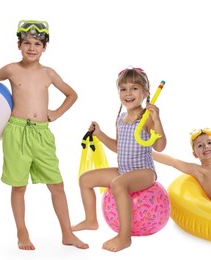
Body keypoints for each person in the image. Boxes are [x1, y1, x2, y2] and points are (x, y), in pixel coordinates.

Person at [0, 20, 87, 250]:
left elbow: (71, 94)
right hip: (16, 132)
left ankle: (67, 233)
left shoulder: (49, 73)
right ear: (18, 45)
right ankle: (22, 232)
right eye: (26, 42)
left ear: (44, 48)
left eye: (37, 43)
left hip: (41, 134)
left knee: (57, 184)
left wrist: (56, 113)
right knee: (18, 186)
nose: (31, 47)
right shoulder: (11, 69)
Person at [71, 67, 167, 252]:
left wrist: (157, 120)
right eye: (123, 89)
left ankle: (124, 237)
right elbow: (119, 148)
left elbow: (160, 146)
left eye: (134, 88)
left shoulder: (146, 119)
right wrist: (99, 134)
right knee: (85, 179)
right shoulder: (121, 118)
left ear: (146, 92)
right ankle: (91, 220)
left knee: (118, 184)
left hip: (144, 172)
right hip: (124, 170)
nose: (128, 93)